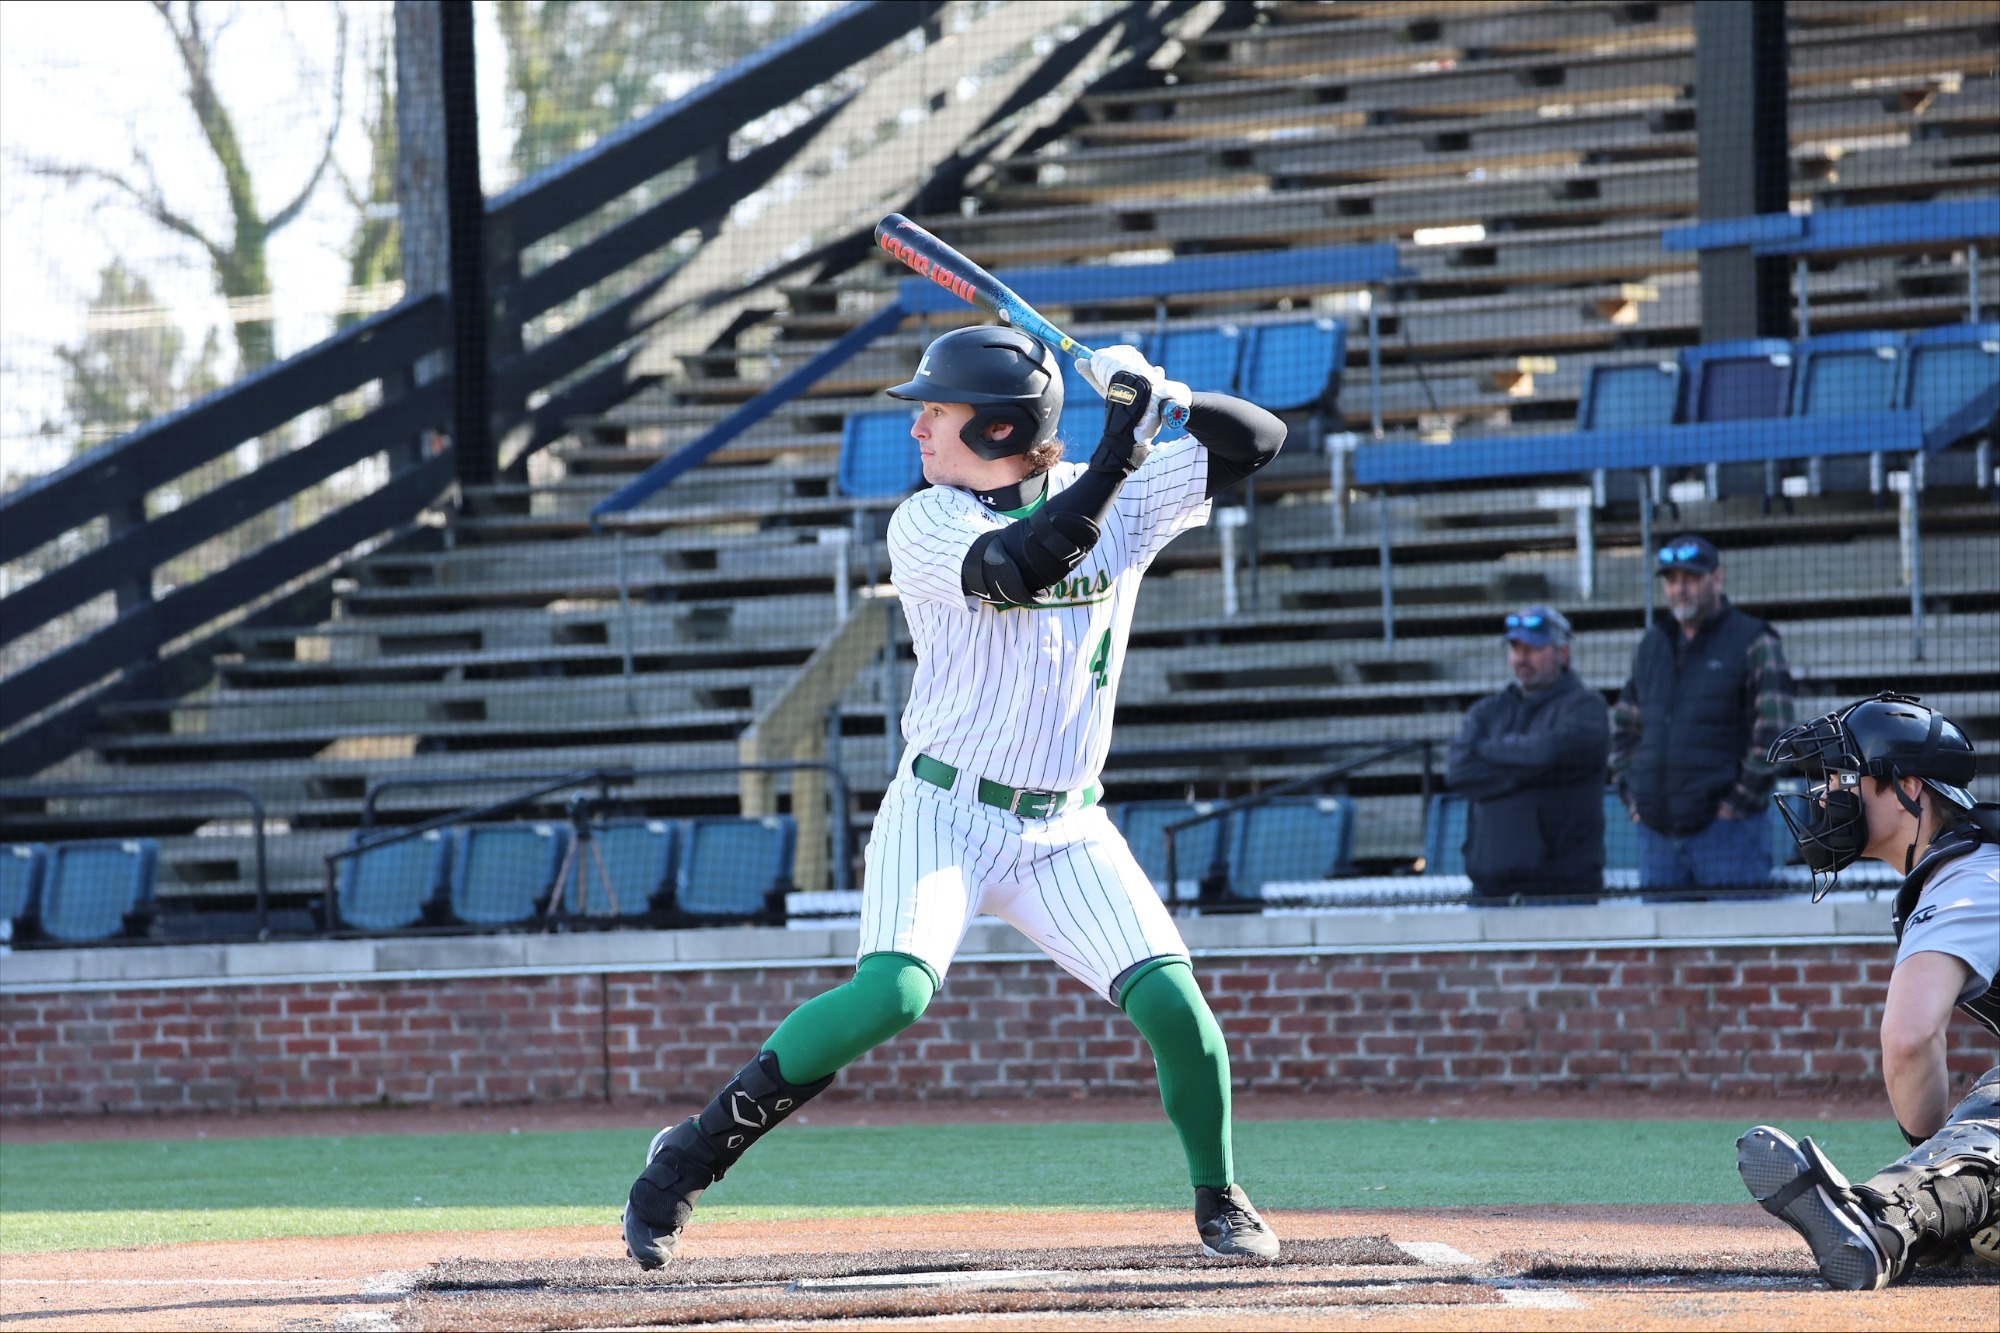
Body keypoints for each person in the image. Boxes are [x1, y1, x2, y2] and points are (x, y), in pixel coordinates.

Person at [621, 325, 1289, 1268]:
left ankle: (1220, 1197)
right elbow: (1026, 562)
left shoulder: (1124, 491)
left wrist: (1170, 402)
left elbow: (1259, 440)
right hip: (944, 808)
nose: (920, 426)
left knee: (1182, 1013)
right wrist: (1119, 448)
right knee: (892, 992)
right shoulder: (927, 520)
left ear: (1001, 428)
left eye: (938, 410)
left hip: (1065, 824)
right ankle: (686, 1157)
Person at [1735, 693, 1999, 1290]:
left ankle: (1880, 1223)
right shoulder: (1972, 867)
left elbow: (1909, 1039)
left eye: (1844, 776)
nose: (1826, 795)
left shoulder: (1972, 879)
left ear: (1908, 787)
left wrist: (1933, 1157)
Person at [1610, 534, 1796, 895]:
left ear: (1718, 578)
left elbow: (1775, 732)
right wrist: (1635, 802)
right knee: (1663, 952)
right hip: (1658, 837)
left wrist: (1736, 804)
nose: (1681, 589)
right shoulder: (1651, 645)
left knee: (1737, 947)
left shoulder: (1754, 640)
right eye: (1672, 579)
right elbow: (1624, 728)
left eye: (1692, 578)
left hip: (1729, 835)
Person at [1444, 605, 1609, 901]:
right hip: (1489, 890)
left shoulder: (1586, 707)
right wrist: (1528, 769)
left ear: (1563, 653)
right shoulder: (1487, 710)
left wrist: (1487, 751)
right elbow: (1458, 771)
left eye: (1533, 648)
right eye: (1516, 648)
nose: (1522, 657)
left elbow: (1549, 755)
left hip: (1563, 891)